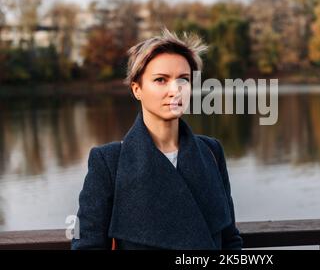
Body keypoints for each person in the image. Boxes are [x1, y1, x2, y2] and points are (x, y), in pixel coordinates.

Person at [71, 29, 243, 250]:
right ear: (137, 89)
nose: (175, 90)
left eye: (184, 79)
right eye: (161, 80)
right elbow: (87, 245)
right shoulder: (109, 162)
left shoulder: (211, 152)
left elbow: (230, 239)